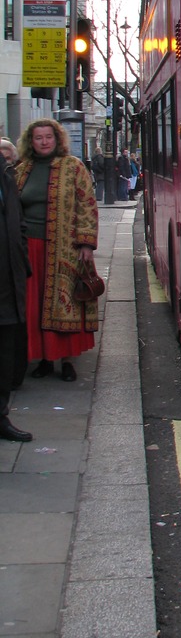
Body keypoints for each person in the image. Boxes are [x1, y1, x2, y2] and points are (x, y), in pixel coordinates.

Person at [16, 119, 99, 382]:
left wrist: (86, 243)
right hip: (28, 248)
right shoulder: (21, 169)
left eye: (48, 137)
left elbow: (87, 205)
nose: (43, 142)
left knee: (66, 304)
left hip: (65, 247)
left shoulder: (73, 167)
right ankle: (43, 358)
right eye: (38, 137)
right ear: (31, 141)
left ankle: (67, 361)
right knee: (36, 305)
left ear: (57, 139)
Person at [0, 152, 33, 442]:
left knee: (5, 354)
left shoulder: (6, 173)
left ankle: (1, 416)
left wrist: (21, 259)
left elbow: (17, 219)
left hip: (8, 276)